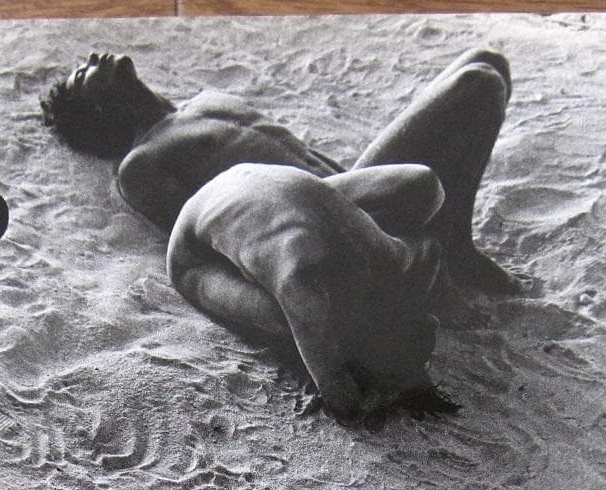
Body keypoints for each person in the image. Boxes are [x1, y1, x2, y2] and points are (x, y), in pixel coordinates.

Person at [41, 47, 521, 294]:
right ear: (97, 109)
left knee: (487, 62)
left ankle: (451, 237)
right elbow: (203, 239)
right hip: (325, 217)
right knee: (477, 83)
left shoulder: (203, 102)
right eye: (84, 73)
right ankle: (452, 247)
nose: (94, 58)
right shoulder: (140, 164)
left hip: (356, 183)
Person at [166, 162, 449, 421]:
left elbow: (429, 248)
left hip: (264, 186)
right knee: (283, 320)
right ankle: (254, 258)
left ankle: (257, 254)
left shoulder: (389, 254)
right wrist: (373, 395)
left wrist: (415, 302)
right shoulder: (303, 284)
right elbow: (344, 404)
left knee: (305, 316)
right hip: (193, 255)